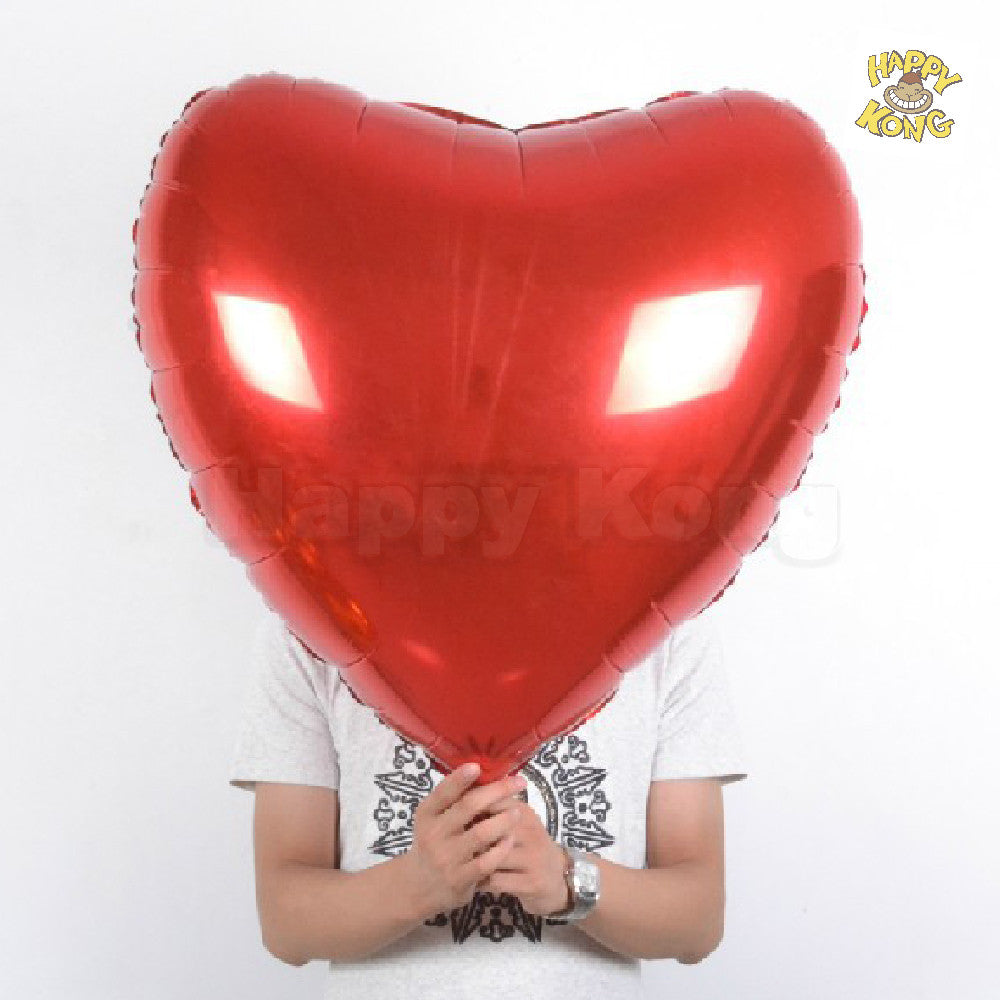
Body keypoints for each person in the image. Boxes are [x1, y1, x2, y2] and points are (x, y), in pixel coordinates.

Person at [230, 608, 748, 999]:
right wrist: (416, 885)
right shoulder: (310, 610)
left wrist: (568, 882)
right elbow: (285, 921)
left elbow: (698, 920)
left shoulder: (666, 612)